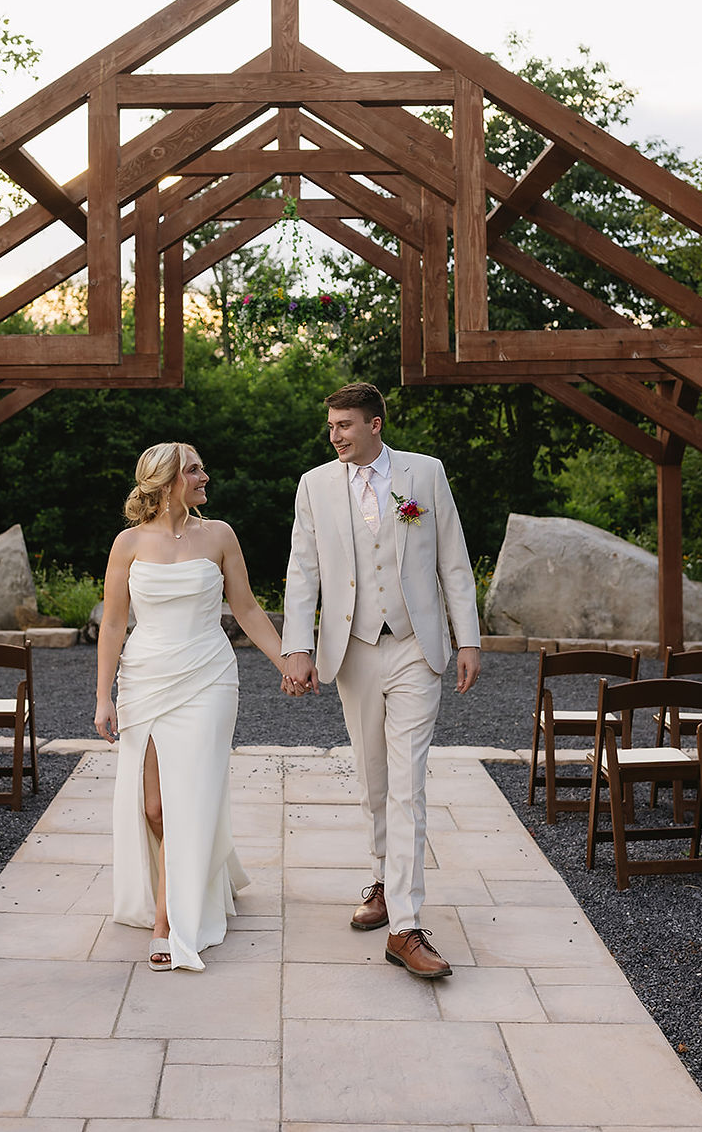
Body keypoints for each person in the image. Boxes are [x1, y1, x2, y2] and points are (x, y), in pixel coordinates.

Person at [281, 383, 481, 980]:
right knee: (373, 778)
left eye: (345, 424)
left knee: (408, 781)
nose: (335, 434)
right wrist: (297, 645)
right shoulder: (315, 484)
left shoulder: (425, 475)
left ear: (374, 423)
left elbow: (453, 559)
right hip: (354, 648)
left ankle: (405, 925)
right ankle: (383, 879)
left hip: (418, 647)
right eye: (331, 426)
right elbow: (303, 568)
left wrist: (466, 637)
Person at [95, 441, 303, 971]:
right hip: (143, 680)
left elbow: (249, 609)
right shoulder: (128, 543)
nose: (205, 476)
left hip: (209, 678)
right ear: (166, 483)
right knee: (154, 808)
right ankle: (205, 873)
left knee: (190, 797)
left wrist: (288, 661)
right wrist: (102, 695)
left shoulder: (220, 536)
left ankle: (169, 923)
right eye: (194, 470)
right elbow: (115, 623)